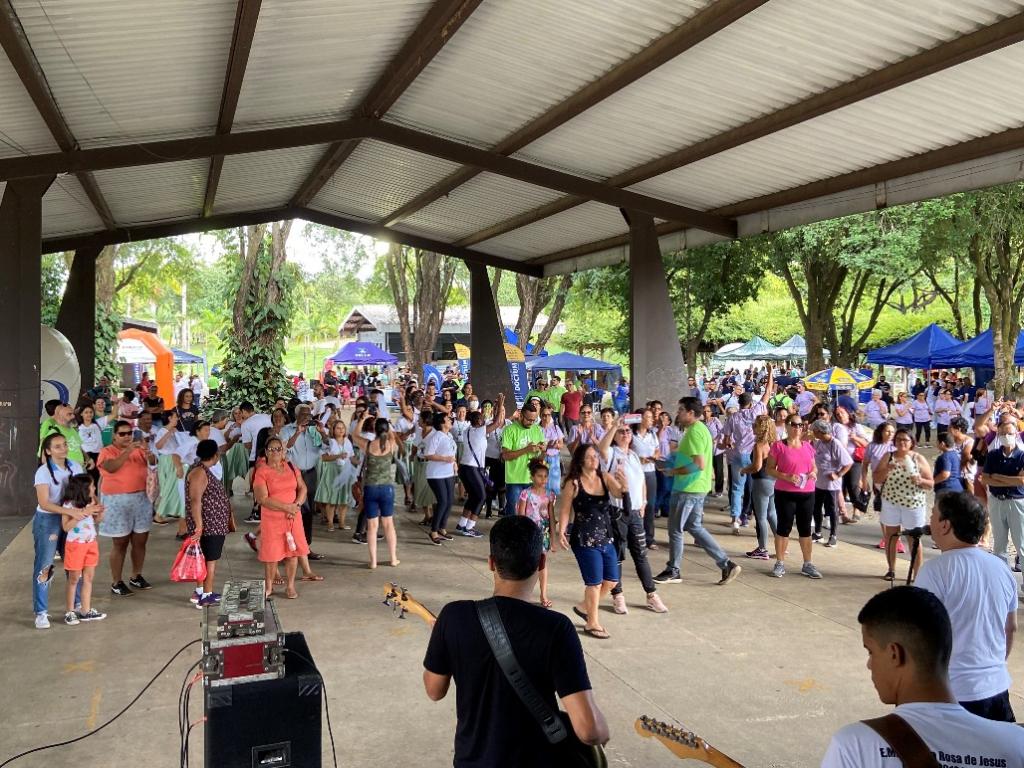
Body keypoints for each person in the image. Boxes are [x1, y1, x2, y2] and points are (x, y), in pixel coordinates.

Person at [423, 516, 609, 766]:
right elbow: (589, 731)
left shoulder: (454, 616)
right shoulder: (556, 627)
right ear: (541, 563)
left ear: (491, 563)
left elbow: (434, 690)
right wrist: (603, 732)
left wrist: (444, 640)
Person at [820, 587, 1024, 768]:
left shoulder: (856, 745)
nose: (869, 664)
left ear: (894, 654)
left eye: (870, 651)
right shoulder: (1016, 745)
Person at [915, 492, 1019, 721]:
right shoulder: (1001, 568)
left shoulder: (934, 571)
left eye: (932, 515)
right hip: (996, 688)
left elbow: (921, 636)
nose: (929, 521)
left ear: (944, 525)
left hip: (953, 693)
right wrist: (992, 668)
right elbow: (1010, 628)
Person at [654, 397, 742, 586]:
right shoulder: (700, 430)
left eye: (681, 410)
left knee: (675, 529)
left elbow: (698, 464)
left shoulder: (695, 432)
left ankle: (673, 570)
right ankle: (726, 564)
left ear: (691, 413)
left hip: (688, 488)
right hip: (696, 488)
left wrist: (672, 471)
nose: (678, 413)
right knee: (694, 527)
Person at [597, 417, 667, 615]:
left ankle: (651, 594)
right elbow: (602, 447)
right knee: (617, 555)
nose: (625, 434)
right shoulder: (611, 453)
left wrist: (644, 502)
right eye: (622, 432)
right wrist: (614, 427)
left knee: (641, 554)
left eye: (628, 431)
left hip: (635, 512)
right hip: (617, 512)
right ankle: (617, 595)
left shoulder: (634, 455)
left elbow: (642, 481)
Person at [557, 444, 625, 639]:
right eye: (589, 457)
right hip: (584, 540)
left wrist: (624, 485)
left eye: (596, 456)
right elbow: (565, 510)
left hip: (606, 537)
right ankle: (592, 622)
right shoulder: (574, 483)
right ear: (581, 461)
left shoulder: (604, 478)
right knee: (594, 583)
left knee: (611, 581)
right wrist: (562, 531)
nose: (594, 459)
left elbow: (619, 493)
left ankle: (584, 607)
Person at [32, 434, 91, 629]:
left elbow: (83, 492)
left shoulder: (74, 466)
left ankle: (76, 604)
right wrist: (70, 511)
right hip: (48, 520)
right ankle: (41, 612)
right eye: (57, 446)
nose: (63, 449)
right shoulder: (43, 472)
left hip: (70, 517)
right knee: (45, 565)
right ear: (48, 451)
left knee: (74, 562)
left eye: (65, 445)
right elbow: (44, 502)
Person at [97, 420, 158, 596]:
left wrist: (150, 455)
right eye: (122, 434)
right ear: (114, 436)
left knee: (140, 540)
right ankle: (116, 581)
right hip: (117, 501)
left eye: (129, 433)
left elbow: (153, 464)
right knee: (120, 542)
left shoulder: (139, 449)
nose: (126, 437)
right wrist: (128, 451)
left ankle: (136, 575)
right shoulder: (106, 451)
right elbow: (111, 467)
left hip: (141, 499)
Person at [253, 436, 316, 599]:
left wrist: (296, 505)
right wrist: (286, 507)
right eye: (272, 449)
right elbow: (262, 499)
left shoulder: (291, 466)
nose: (275, 452)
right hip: (273, 518)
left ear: (283, 452)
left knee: (292, 552)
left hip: (293, 516)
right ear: (266, 452)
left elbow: (302, 488)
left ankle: (290, 586)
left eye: (278, 448)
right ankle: (269, 586)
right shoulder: (262, 471)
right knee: (272, 554)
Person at [765, 414, 821, 579]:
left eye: (800, 425)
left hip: (807, 492)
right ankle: (780, 563)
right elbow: (769, 469)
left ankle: (807, 563)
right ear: (787, 426)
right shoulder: (778, 446)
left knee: (805, 529)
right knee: (784, 527)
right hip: (785, 492)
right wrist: (786, 476)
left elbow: (814, 467)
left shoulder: (807, 446)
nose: (798, 428)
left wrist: (813, 473)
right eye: (794, 425)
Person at [874, 429, 933, 582]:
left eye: (905, 440)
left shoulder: (918, 459)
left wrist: (920, 480)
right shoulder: (889, 457)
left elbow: (930, 483)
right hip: (891, 502)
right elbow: (876, 477)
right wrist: (887, 469)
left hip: (913, 503)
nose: (902, 443)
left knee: (914, 539)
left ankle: (917, 573)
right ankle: (891, 569)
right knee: (891, 536)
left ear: (911, 442)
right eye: (899, 439)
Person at [722, 367, 773, 533]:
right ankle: (747, 514)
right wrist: (770, 373)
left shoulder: (733, 417)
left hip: (737, 455)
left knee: (737, 488)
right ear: (750, 402)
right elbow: (767, 393)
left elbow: (727, 439)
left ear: (739, 403)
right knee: (752, 486)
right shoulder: (756, 411)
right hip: (754, 453)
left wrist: (729, 444)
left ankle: (735, 518)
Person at [185, 439, 232, 608]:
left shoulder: (201, 469)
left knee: (202, 560)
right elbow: (195, 500)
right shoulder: (199, 472)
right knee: (209, 562)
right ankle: (206, 595)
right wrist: (199, 525)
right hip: (208, 526)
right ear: (215, 455)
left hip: (210, 524)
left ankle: (201, 591)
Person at [281, 404, 327, 561]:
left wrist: (323, 433)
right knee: (293, 512)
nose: (308, 417)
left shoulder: (314, 430)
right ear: (297, 415)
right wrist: (297, 432)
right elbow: (285, 447)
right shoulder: (288, 429)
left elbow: (327, 447)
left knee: (308, 512)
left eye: (309, 414)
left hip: (311, 473)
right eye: (304, 414)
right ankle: (289, 548)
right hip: (294, 475)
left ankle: (306, 547)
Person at [980, 420, 1024, 582]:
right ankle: (1002, 582)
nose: (1007, 436)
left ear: (1016, 434)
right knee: (999, 546)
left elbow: (1021, 481)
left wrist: (997, 477)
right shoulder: (993, 455)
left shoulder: (1022, 455)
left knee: (1021, 544)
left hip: (1017, 502)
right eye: (1003, 433)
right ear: (998, 435)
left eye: (1010, 433)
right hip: (997, 502)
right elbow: (985, 479)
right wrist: (1011, 479)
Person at [59, 473, 106, 625]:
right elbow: (66, 527)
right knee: (73, 579)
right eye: (92, 486)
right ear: (84, 488)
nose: (94, 488)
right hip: (75, 545)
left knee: (88, 578)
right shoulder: (68, 504)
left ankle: (85, 610)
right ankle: (70, 611)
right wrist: (82, 513)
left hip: (91, 543)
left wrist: (100, 513)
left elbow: (96, 520)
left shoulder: (92, 500)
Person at [457, 394, 506, 537]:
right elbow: (497, 423)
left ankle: (462, 524)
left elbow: (494, 422)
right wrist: (501, 403)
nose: (484, 419)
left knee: (473, 496)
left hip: (465, 468)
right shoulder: (479, 431)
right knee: (480, 497)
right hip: (473, 468)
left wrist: (497, 409)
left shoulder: (468, 431)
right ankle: (470, 527)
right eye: (481, 418)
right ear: (478, 421)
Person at [361, 418, 401, 569]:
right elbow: (393, 436)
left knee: (372, 526)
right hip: (386, 489)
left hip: (370, 488)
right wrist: (388, 426)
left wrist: (364, 417)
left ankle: (373, 562)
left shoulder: (368, 445)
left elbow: (355, 434)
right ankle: (393, 558)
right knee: (388, 525)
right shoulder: (391, 445)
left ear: (374, 430)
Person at [517, 461, 555, 607]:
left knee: (542, 563)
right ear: (532, 477)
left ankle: (543, 594)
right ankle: (522, 593)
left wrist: (553, 538)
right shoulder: (525, 494)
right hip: (528, 532)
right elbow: (520, 516)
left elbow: (551, 518)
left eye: (545, 476)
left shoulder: (550, 496)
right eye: (539, 476)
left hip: (542, 533)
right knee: (527, 563)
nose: (543, 480)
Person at [809, 419, 853, 548]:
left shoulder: (835, 444)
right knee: (817, 507)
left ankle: (833, 535)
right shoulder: (819, 443)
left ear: (819, 431)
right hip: (819, 481)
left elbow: (848, 463)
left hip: (831, 483)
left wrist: (838, 474)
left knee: (832, 508)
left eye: (814, 431)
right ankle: (817, 532)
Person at [741, 415, 777, 561]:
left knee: (761, 517)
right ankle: (781, 542)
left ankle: (762, 548)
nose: (753, 426)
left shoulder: (759, 445)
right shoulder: (774, 444)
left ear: (760, 427)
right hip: (773, 481)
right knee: (772, 513)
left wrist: (744, 470)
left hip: (761, 481)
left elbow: (757, 466)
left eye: (755, 424)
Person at [500, 404, 545, 518]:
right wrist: (526, 449)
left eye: (534, 420)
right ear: (521, 416)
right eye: (529, 419)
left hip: (532, 479)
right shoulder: (510, 430)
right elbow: (505, 455)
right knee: (514, 513)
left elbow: (540, 458)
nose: (531, 422)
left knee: (531, 513)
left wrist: (544, 450)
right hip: (514, 479)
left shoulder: (537, 430)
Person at [423, 411, 459, 546]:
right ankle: (433, 531)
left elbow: (451, 452)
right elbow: (428, 454)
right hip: (435, 474)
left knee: (449, 501)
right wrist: (445, 459)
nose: (450, 420)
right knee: (443, 501)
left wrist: (454, 463)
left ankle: (442, 528)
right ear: (442, 423)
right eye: (447, 419)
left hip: (448, 473)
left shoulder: (448, 435)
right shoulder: (436, 436)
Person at [239, 402, 273, 523]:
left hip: (256, 457)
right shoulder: (267, 417)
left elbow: (247, 445)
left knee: (257, 486)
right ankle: (267, 510)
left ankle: (257, 512)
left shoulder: (246, 424)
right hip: (271, 456)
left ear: (244, 411)